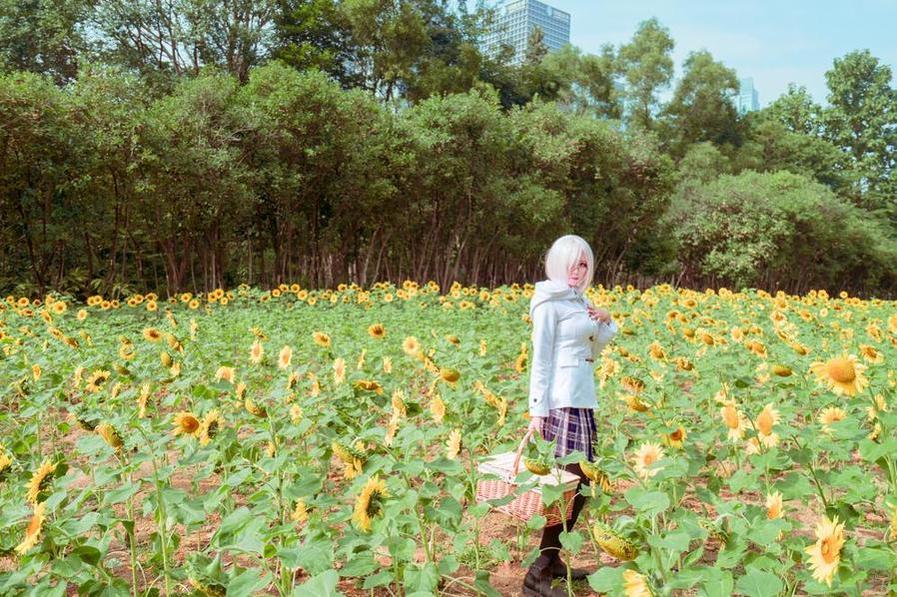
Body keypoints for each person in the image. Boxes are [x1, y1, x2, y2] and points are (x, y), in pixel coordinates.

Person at [523, 234, 618, 596]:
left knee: (582, 485)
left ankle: (553, 558)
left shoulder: (578, 300)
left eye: (584, 264)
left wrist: (606, 320)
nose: (578, 270)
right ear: (557, 263)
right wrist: (537, 411)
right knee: (566, 487)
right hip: (559, 403)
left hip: (582, 400)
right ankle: (539, 572)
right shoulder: (549, 301)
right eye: (572, 263)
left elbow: (596, 342)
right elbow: (541, 359)